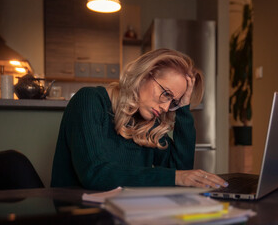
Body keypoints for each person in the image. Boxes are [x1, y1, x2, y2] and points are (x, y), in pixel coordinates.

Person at [51, 48, 228, 191]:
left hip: (124, 214)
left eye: (173, 101)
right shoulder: (89, 100)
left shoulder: (149, 123)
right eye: (166, 94)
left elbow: (180, 169)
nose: (166, 108)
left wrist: (183, 108)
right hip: (77, 215)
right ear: (144, 75)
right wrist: (176, 177)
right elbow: (95, 174)